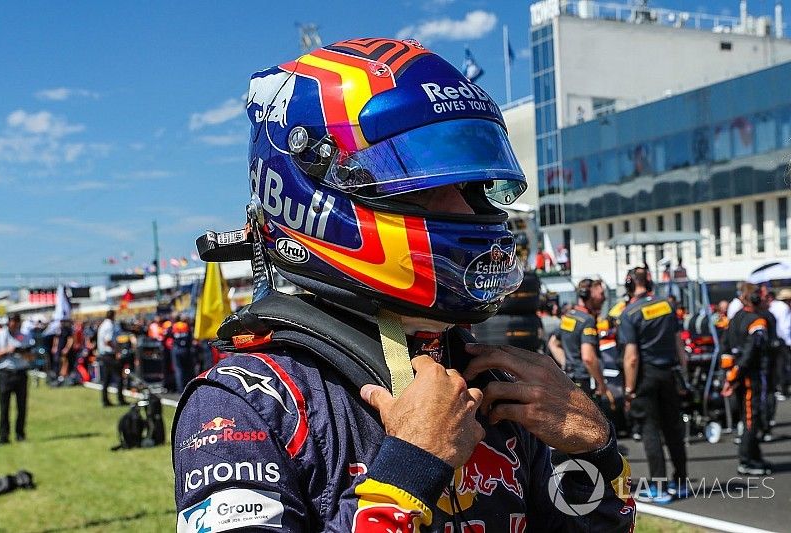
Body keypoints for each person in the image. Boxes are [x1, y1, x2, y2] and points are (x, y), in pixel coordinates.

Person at [172, 39, 634, 532]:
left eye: (473, 185)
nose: (466, 210)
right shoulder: (246, 401)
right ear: (309, 187)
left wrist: (595, 448)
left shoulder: (500, 383)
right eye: (422, 182)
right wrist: (407, 473)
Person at [619, 266, 688, 502]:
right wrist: (683, 375)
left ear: (629, 285)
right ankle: (680, 482)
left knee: (650, 431)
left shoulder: (629, 313)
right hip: (669, 373)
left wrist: (629, 390)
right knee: (673, 429)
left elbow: (631, 357)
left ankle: (658, 488)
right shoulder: (667, 304)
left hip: (646, 376)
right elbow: (680, 346)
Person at [721, 284, 774, 475]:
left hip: (739, 375)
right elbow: (752, 351)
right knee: (752, 418)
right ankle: (746, 461)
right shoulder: (756, 320)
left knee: (748, 416)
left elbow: (725, 348)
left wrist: (729, 374)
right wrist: (735, 374)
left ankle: (755, 456)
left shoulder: (735, 318)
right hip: (751, 376)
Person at [549, 279, 608, 398]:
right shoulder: (587, 320)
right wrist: (601, 384)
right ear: (589, 294)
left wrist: (568, 365)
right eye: (601, 294)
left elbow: (553, 343)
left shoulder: (569, 316)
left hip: (570, 379)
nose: (604, 298)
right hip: (584, 382)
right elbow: (588, 358)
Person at [0, 314, 33, 444]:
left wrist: (21, 352)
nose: (15, 325)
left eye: (17, 322)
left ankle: (20, 434)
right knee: (4, 406)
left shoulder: (24, 337)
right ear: (8, 323)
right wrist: (6, 351)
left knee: (22, 406)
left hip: (20, 373)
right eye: (13, 322)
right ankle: (4, 436)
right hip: (5, 374)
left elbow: (31, 357)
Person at [97, 310, 125, 407]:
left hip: (104, 355)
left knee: (106, 379)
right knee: (119, 377)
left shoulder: (103, 325)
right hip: (109, 354)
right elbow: (108, 341)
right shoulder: (109, 325)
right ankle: (121, 399)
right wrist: (117, 351)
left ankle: (105, 400)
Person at [767, 291, 791, 400]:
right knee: (782, 366)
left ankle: (780, 388)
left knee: (780, 366)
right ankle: (782, 388)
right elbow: (784, 326)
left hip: (778, 339)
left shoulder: (777, 307)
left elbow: (782, 325)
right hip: (782, 340)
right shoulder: (783, 308)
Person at [170, 315, 194, 391]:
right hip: (185, 349)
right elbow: (190, 338)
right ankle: (188, 387)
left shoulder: (174, 326)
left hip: (177, 349)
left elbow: (170, 336)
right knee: (187, 369)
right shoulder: (186, 326)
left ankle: (180, 389)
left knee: (179, 369)